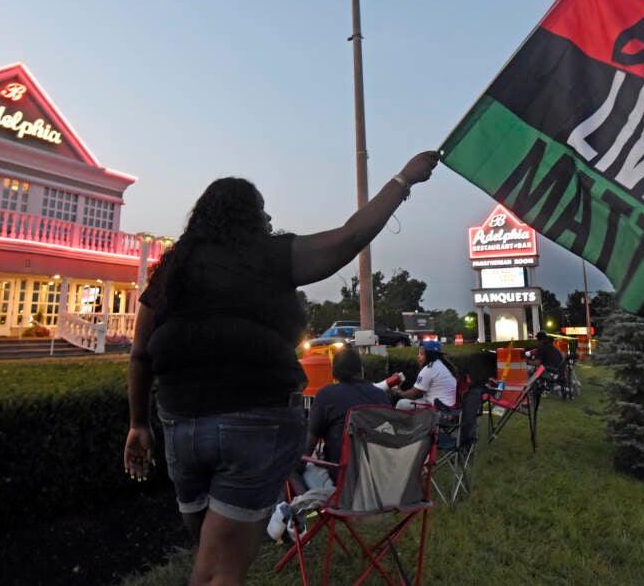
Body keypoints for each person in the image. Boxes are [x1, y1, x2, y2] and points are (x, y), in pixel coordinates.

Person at [123, 150, 439, 586]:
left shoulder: (172, 269)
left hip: (181, 429)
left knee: (212, 555)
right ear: (248, 217)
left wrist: (138, 423)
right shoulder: (269, 255)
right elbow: (349, 238)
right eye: (263, 213)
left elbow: (139, 353)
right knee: (219, 568)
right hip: (256, 422)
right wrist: (404, 179)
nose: (269, 221)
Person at [302, 344, 389, 486]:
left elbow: (308, 449)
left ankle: (298, 507)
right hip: (379, 483)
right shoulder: (381, 396)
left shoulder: (326, 395)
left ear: (333, 373)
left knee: (292, 472)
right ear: (361, 370)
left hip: (344, 486)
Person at [393, 339, 458, 411]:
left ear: (429, 355)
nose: (418, 356)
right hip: (448, 407)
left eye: (421, 354)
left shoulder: (429, 369)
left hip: (438, 409)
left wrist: (399, 392)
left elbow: (414, 394)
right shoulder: (443, 365)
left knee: (401, 403)